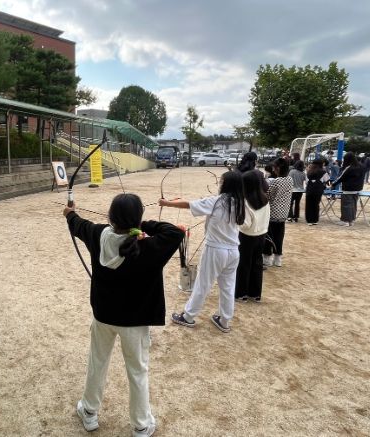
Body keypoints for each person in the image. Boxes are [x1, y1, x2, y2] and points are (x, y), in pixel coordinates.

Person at [64, 193, 184, 436]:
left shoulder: (98, 234)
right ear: (138, 219)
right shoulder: (149, 246)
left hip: (104, 317)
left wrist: (70, 212)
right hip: (135, 322)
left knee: (97, 362)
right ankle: (141, 425)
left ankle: (89, 411)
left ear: (111, 217)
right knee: (137, 371)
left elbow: (77, 223)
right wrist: (141, 226)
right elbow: (174, 231)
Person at [159, 171, 245, 333]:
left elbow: (188, 204)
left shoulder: (217, 201)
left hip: (216, 250)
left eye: (222, 182)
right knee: (228, 287)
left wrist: (166, 203)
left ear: (226, 185)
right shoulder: (240, 203)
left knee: (203, 283)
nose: (219, 184)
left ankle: (188, 316)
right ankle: (225, 320)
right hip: (233, 252)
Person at [235, 170, 270, 302]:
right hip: (261, 235)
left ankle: (241, 293)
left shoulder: (245, 202)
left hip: (246, 236)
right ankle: (255, 293)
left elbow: (245, 225)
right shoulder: (265, 199)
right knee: (257, 263)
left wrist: (236, 222)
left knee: (244, 264)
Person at [262, 158, 293, 267]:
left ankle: (267, 257)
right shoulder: (290, 179)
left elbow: (268, 196)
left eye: (274, 167)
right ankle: (278, 258)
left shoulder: (276, 182)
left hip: (273, 212)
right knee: (279, 236)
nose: (273, 169)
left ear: (278, 168)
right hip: (284, 213)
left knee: (269, 236)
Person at [330, 152, 364, 226]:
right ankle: (351, 220)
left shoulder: (349, 168)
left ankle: (345, 221)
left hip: (348, 189)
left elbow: (341, 177)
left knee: (346, 205)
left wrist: (333, 184)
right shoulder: (361, 166)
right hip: (358, 189)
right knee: (353, 205)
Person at [305, 159, 330, 225]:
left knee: (309, 205)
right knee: (316, 204)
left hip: (309, 189)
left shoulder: (309, 171)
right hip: (318, 190)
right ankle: (315, 220)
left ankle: (309, 220)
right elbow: (327, 181)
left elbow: (306, 182)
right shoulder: (323, 172)